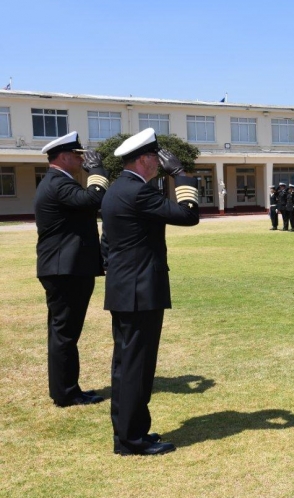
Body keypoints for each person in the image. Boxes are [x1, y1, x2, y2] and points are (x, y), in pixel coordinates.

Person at [101, 128, 200, 455]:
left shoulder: (117, 189)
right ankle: (131, 440)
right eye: (156, 158)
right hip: (139, 291)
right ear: (143, 159)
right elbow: (188, 215)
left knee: (128, 364)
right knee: (136, 367)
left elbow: (107, 242)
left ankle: (131, 432)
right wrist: (181, 175)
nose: (160, 163)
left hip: (126, 287)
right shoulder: (138, 193)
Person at [34, 131, 108, 408]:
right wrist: (98, 170)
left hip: (66, 268)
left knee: (64, 332)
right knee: (64, 333)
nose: (82, 159)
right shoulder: (58, 183)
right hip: (65, 270)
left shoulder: (57, 181)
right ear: (64, 157)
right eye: (78, 155)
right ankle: (66, 392)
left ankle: (68, 388)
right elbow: (93, 199)